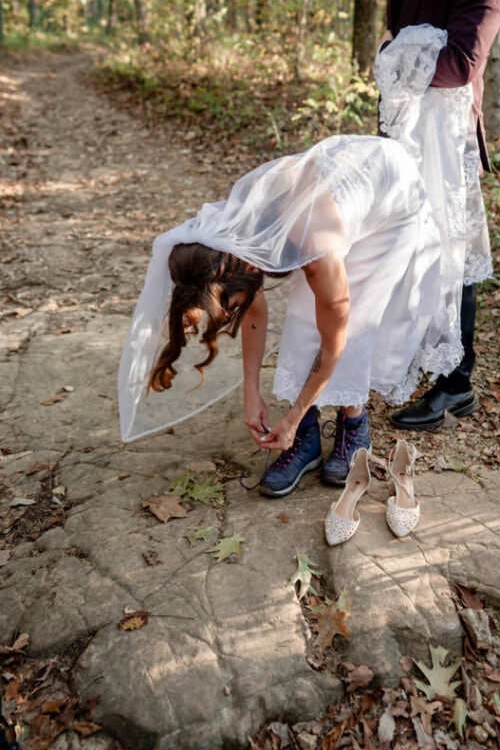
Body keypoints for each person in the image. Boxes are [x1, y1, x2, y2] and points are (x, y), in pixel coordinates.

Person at [118, 134, 464, 496]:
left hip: (391, 193)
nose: (235, 313)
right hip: (330, 196)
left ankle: (353, 423)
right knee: (302, 319)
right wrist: (251, 393)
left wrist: (292, 416)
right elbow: (254, 311)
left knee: (354, 318)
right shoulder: (228, 239)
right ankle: (308, 436)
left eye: (231, 305)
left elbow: (335, 342)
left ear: (237, 273)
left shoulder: (315, 247)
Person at [375, 0, 500, 431]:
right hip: (402, 131)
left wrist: (397, 56)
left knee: (453, 253)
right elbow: (387, 44)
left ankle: (457, 383)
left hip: (448, 139)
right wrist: (396, 60)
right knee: (407, 247)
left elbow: (460, 63)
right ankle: (415, 355)